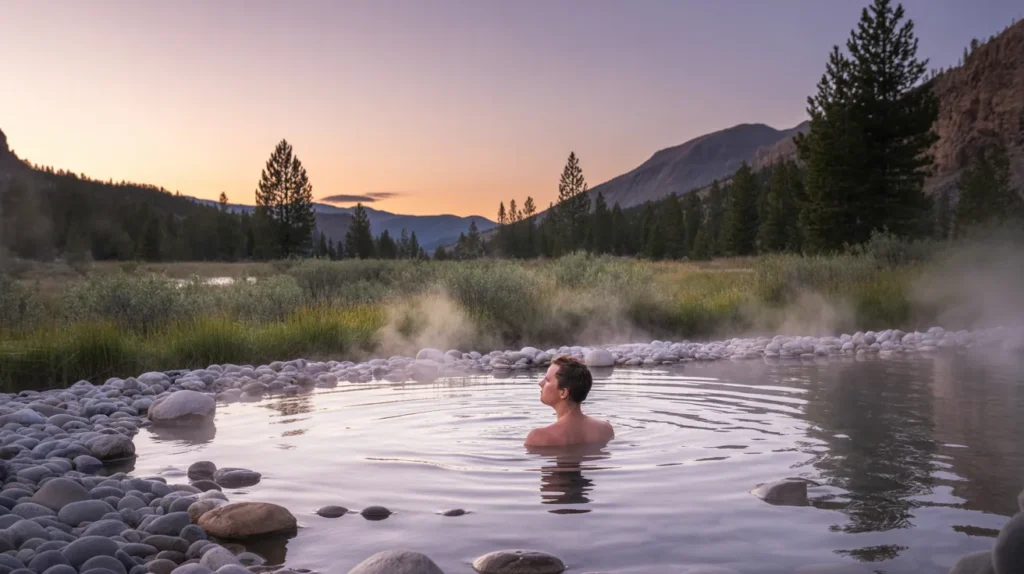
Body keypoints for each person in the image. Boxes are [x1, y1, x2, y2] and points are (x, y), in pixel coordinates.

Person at [525, 355, 614, 447]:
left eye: (547, 380)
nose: (540, 383)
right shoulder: (606, 429)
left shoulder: (539, 437)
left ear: (563, 393)